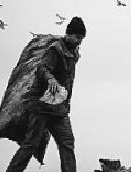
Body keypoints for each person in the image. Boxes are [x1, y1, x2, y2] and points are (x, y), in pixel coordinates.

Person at [5, 16, 86, 172]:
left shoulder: (74, 53)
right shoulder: (55, 50)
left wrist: (66, 103)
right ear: (68, 34)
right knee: (30, 144)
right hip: (40, 106)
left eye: (82, 38)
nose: (79, 41)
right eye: (77, 37)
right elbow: (42, 68)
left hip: (59, 108)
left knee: (67, 142)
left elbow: (69, 81)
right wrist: (51, 81)